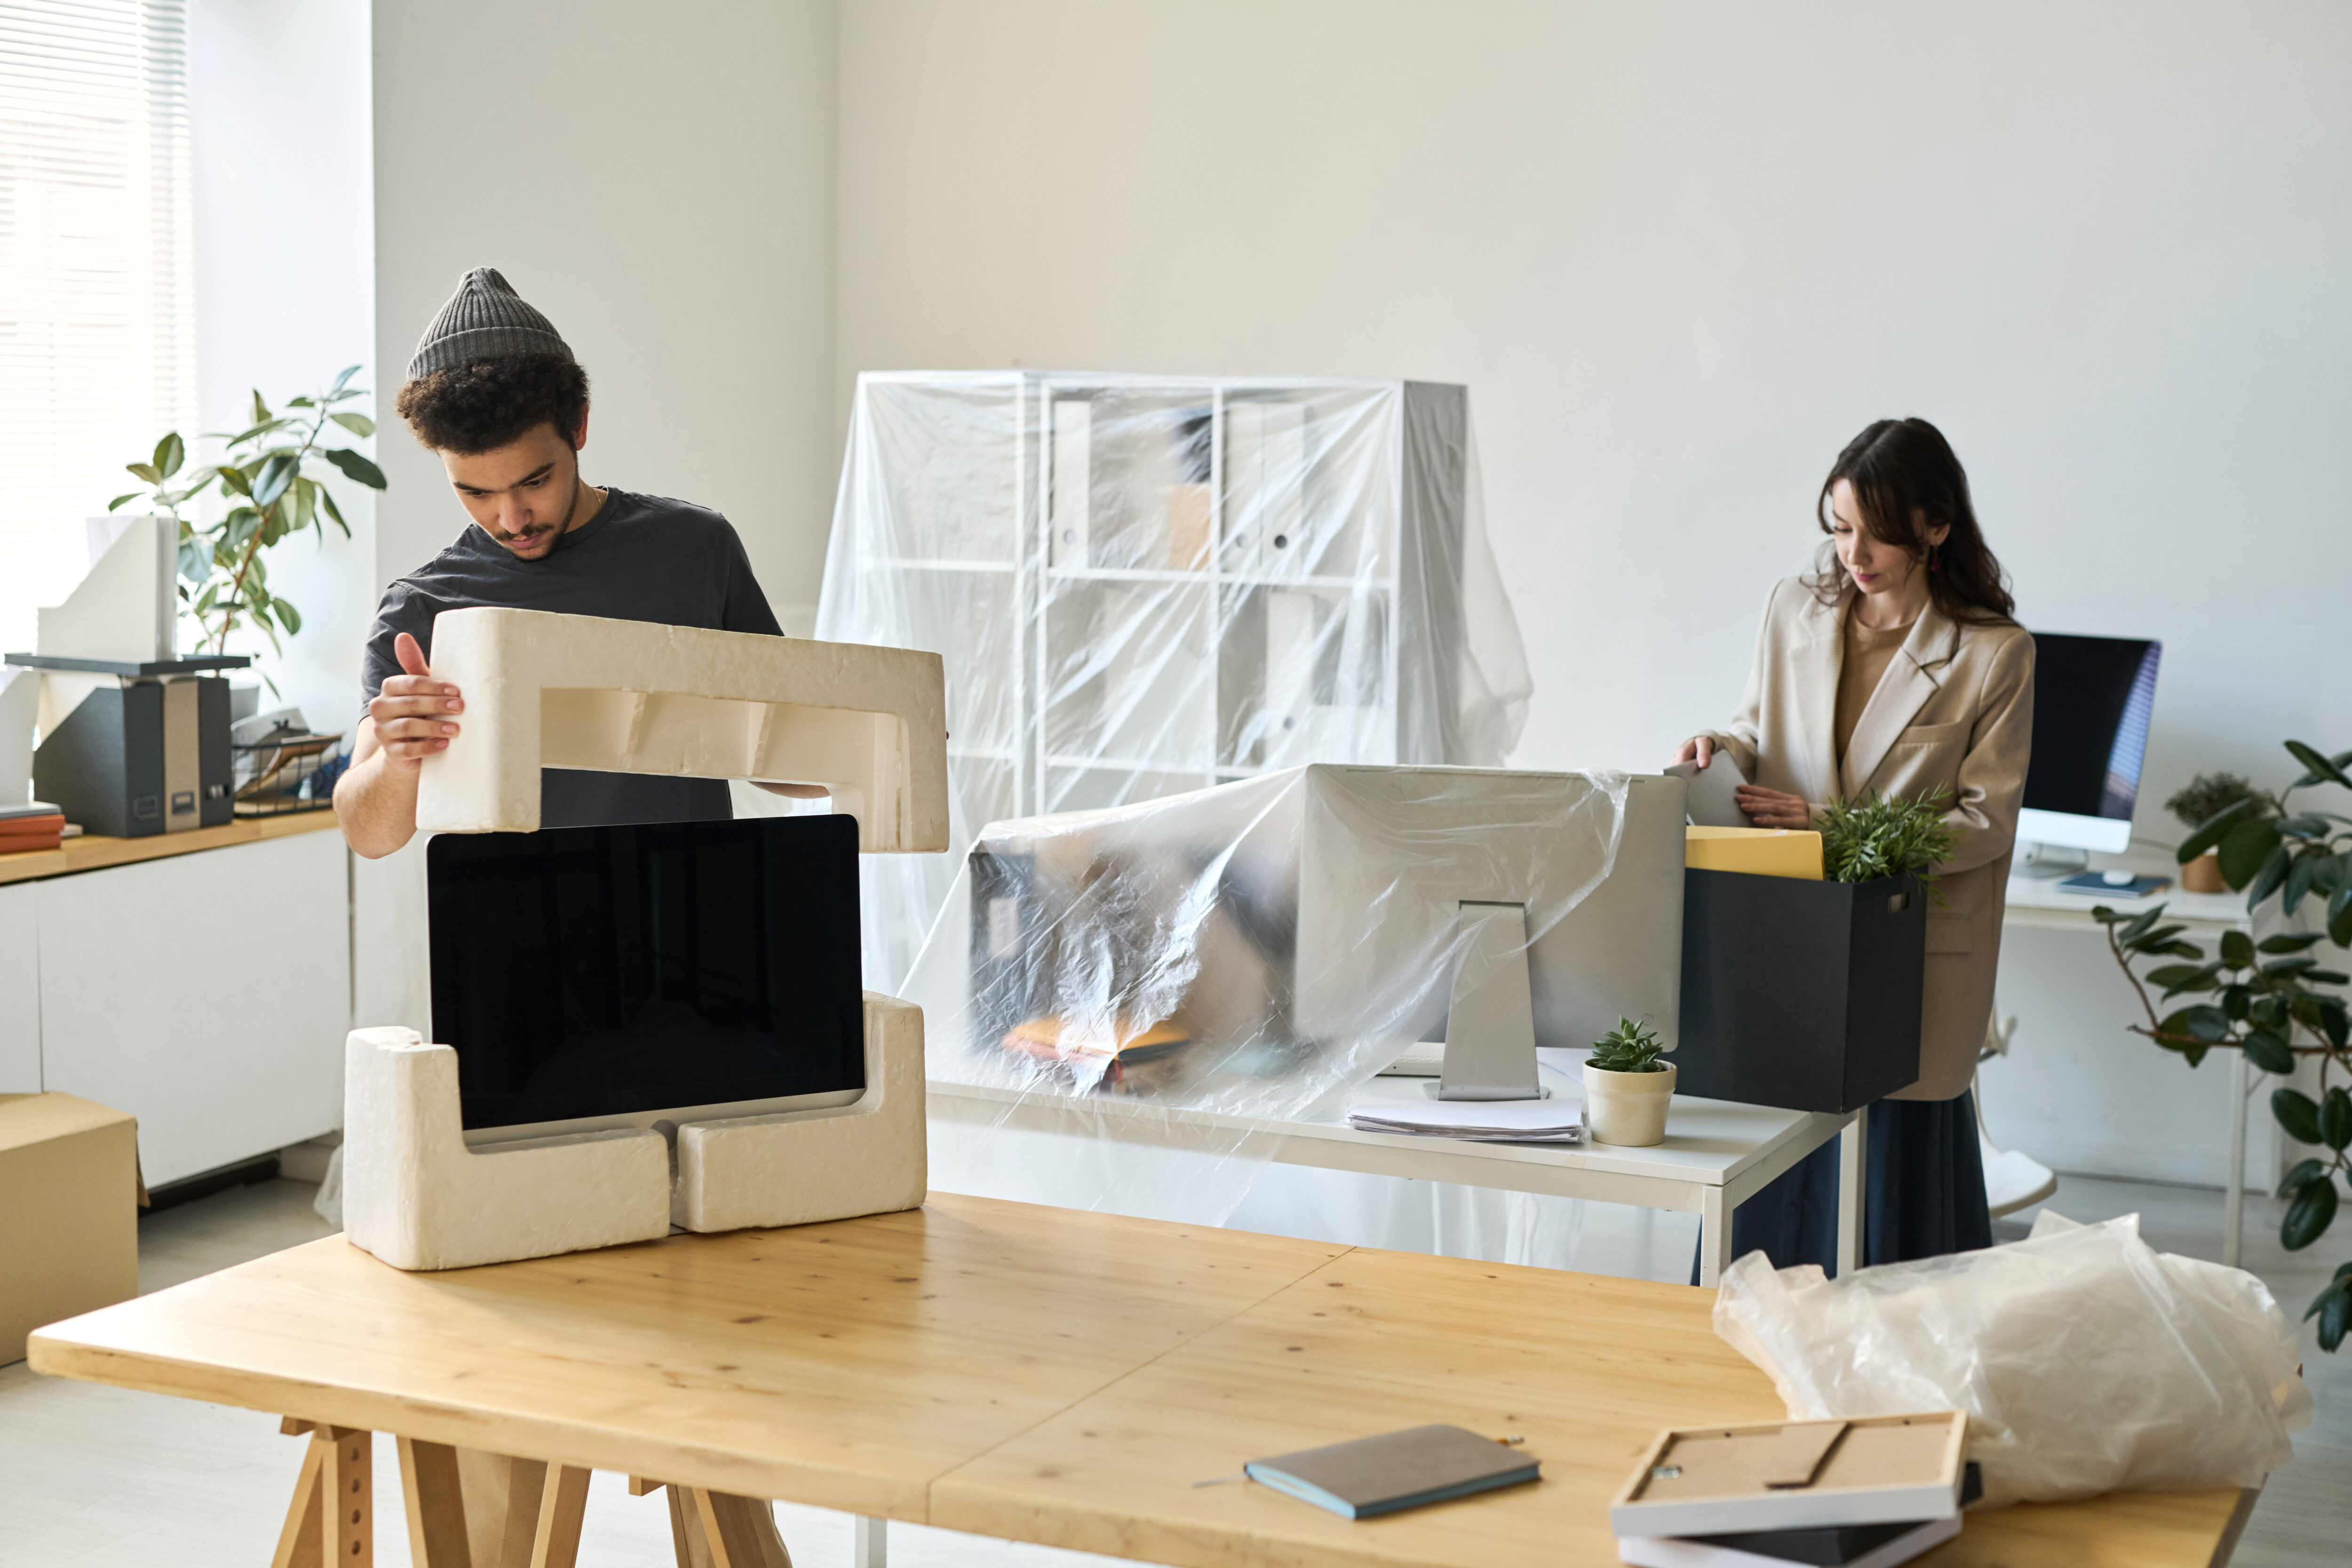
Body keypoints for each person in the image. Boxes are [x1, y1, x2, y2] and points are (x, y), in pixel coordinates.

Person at [1676, 417, 2034, 1271]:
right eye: (1839, 527)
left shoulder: (1994, 654)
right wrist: (1714, 754)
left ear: (1936, 527)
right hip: (1791, 930)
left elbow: (1987, 822)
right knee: (1771, 1165)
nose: (1854, 551)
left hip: (1903, 950)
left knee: (1892, 1205)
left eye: (1877, 530)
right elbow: (1755, 732)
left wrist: (1827, 826)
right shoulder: (1792, 609)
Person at [334, 266, 821, 859]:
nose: (512, 518)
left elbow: (771, 753)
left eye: (534, 480)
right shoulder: (423, 607)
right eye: (476, 493)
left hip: (695, 906)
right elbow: (367, 835)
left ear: (579, 425)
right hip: (519, 926)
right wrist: (397, 755)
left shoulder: (695, 549)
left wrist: (883, 747)